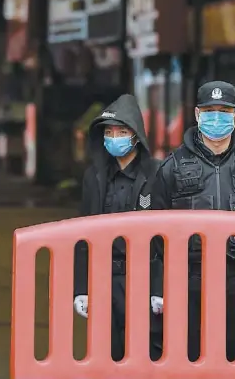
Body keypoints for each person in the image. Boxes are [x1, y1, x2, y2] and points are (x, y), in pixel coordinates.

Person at [151, 81, 235, 362]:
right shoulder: (172, 165)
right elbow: (153, 229)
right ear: (197, 114)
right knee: (189, 354)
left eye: (224, 111)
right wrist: (163, 282)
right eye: (210, 111)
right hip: (188, 279)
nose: (216, 118)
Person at [72, 94, 163, 361]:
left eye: (122, 131)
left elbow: (163, 240)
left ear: (135, 135)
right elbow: (82, 236)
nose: (115, 137)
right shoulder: (95, 176)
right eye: (109, 132)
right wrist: (81, 287)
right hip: (104, 279)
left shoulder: (157, 175)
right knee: (105, 355)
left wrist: (160, 288)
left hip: (143, 278)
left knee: (147, 354)